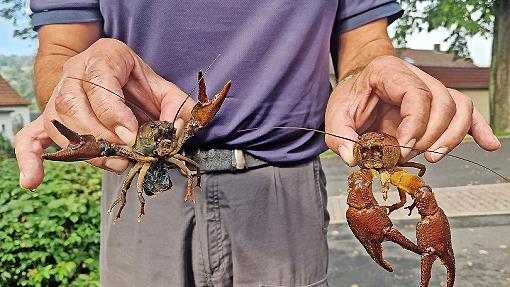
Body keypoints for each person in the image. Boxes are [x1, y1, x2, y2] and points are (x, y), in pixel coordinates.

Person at [15, 1, 500, 286]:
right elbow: (61, 50)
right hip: (150, 189)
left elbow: (366, 39)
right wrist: (75, 87)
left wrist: (371, 69)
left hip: (281, 187)